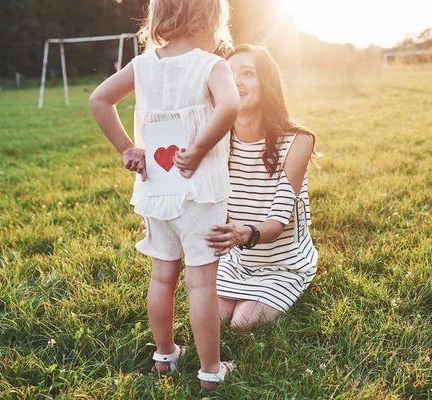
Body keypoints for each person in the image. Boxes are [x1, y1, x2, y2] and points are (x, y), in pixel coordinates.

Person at [89, 0, 239, 390]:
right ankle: (210, 371)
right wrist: (202, 147)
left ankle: (165, 356)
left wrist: (127, 148)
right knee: (202, 283)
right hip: (200, 193)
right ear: (210, 18)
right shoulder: (211, 65)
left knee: (162, 276)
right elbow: (230, 105)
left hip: (156, 189)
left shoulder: (142, 66)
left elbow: (99, 99)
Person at [205, 44, 319, 330]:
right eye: (229, 75)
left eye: (248, 74)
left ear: (266, 83)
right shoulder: (217, 140)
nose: (237, 82)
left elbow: (278, 221)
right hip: (238, 260)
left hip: (284, 264)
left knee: (242, 324)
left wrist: (245, 234)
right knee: (214, 319)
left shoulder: (298, 141)